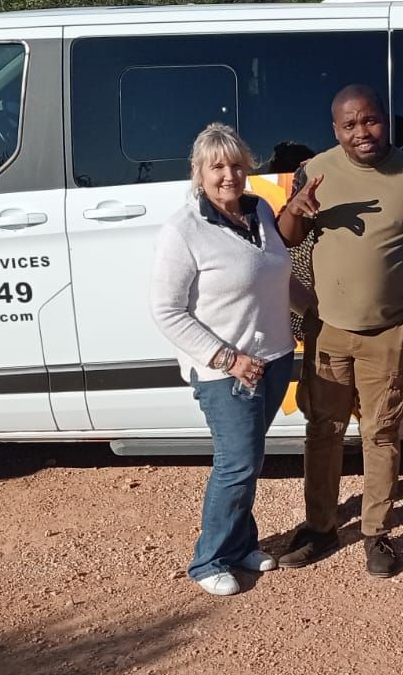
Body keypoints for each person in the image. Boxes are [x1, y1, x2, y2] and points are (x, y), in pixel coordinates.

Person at [272, 85, 403, 578]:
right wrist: (294, 211)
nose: (361, 133)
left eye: (370, 121)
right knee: (322, 431)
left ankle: (376, 533)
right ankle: (319, 525)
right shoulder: (317, 171)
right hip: (327, 330)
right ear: (335, 130)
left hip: (388, 332)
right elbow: (286, 239)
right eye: (350, 125)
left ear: (385, 121)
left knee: (381, 433)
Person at [150, 123, 297, 596]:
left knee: (249, 460)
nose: (228, 175)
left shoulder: (260, 213)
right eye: (216, 166)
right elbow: (166, 310)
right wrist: (226, 357)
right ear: (198, 173)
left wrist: (317, 311)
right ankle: (208, 559)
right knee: (235, 463)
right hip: (226, 371)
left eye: (236, 164)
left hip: (274, 359)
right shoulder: (184, 229)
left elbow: (276, 279)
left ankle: (241, 544)